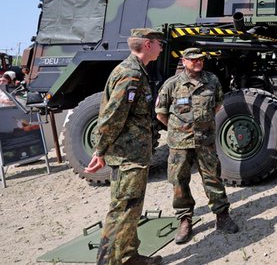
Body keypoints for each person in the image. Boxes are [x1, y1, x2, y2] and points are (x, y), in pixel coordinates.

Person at [84, 28, 164, 265]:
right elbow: (112, 116)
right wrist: (100, 150)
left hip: (134, 153)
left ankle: (129, 257)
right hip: (128, 155)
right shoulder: (131, 75)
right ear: (148, 45)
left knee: (131, 209)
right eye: (159, 43)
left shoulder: (135, 71)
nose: (162, 47)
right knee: (122, 210)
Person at [154, 48, 239, 245]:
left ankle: (222, 216)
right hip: (179, 144)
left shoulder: (212, 80)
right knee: (179, 181)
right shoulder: (172, 84)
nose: (198, 62)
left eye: (200, 59)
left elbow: (218, 105)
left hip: (205, 141)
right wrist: (178, 130)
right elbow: (161, 113)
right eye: (193, 60)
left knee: (213, 178)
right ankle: (185, 220)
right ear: (184, 61)